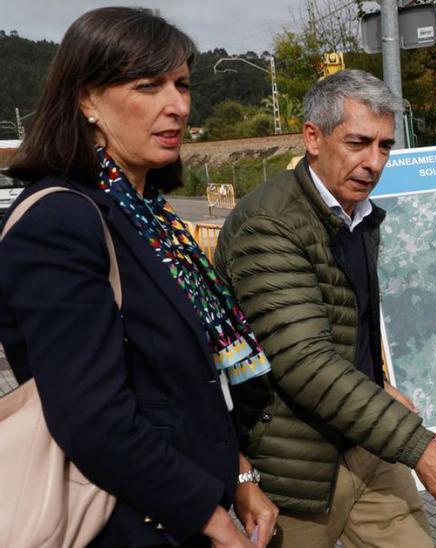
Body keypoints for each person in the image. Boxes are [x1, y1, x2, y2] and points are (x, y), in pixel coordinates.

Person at [0, 7, 277, 547]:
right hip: (125, 524)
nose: (176, 105)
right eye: (148, 86)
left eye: (182, 85)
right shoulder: (62, 220)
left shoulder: (150, 217)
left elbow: (187, 383)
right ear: (86, 100)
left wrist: (241, 477)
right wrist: (215, 520)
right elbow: (93, 419)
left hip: (186, 506)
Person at [214, 69, 436, 548]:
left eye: (384, 146)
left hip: (368, 446)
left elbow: (346, 320)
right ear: (312, 138)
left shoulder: (356, 215)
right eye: (358, 143)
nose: (373, 162)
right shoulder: (269, 225)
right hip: (299, 468)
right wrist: (420, 448)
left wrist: (378, 380)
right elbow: (303, 361)